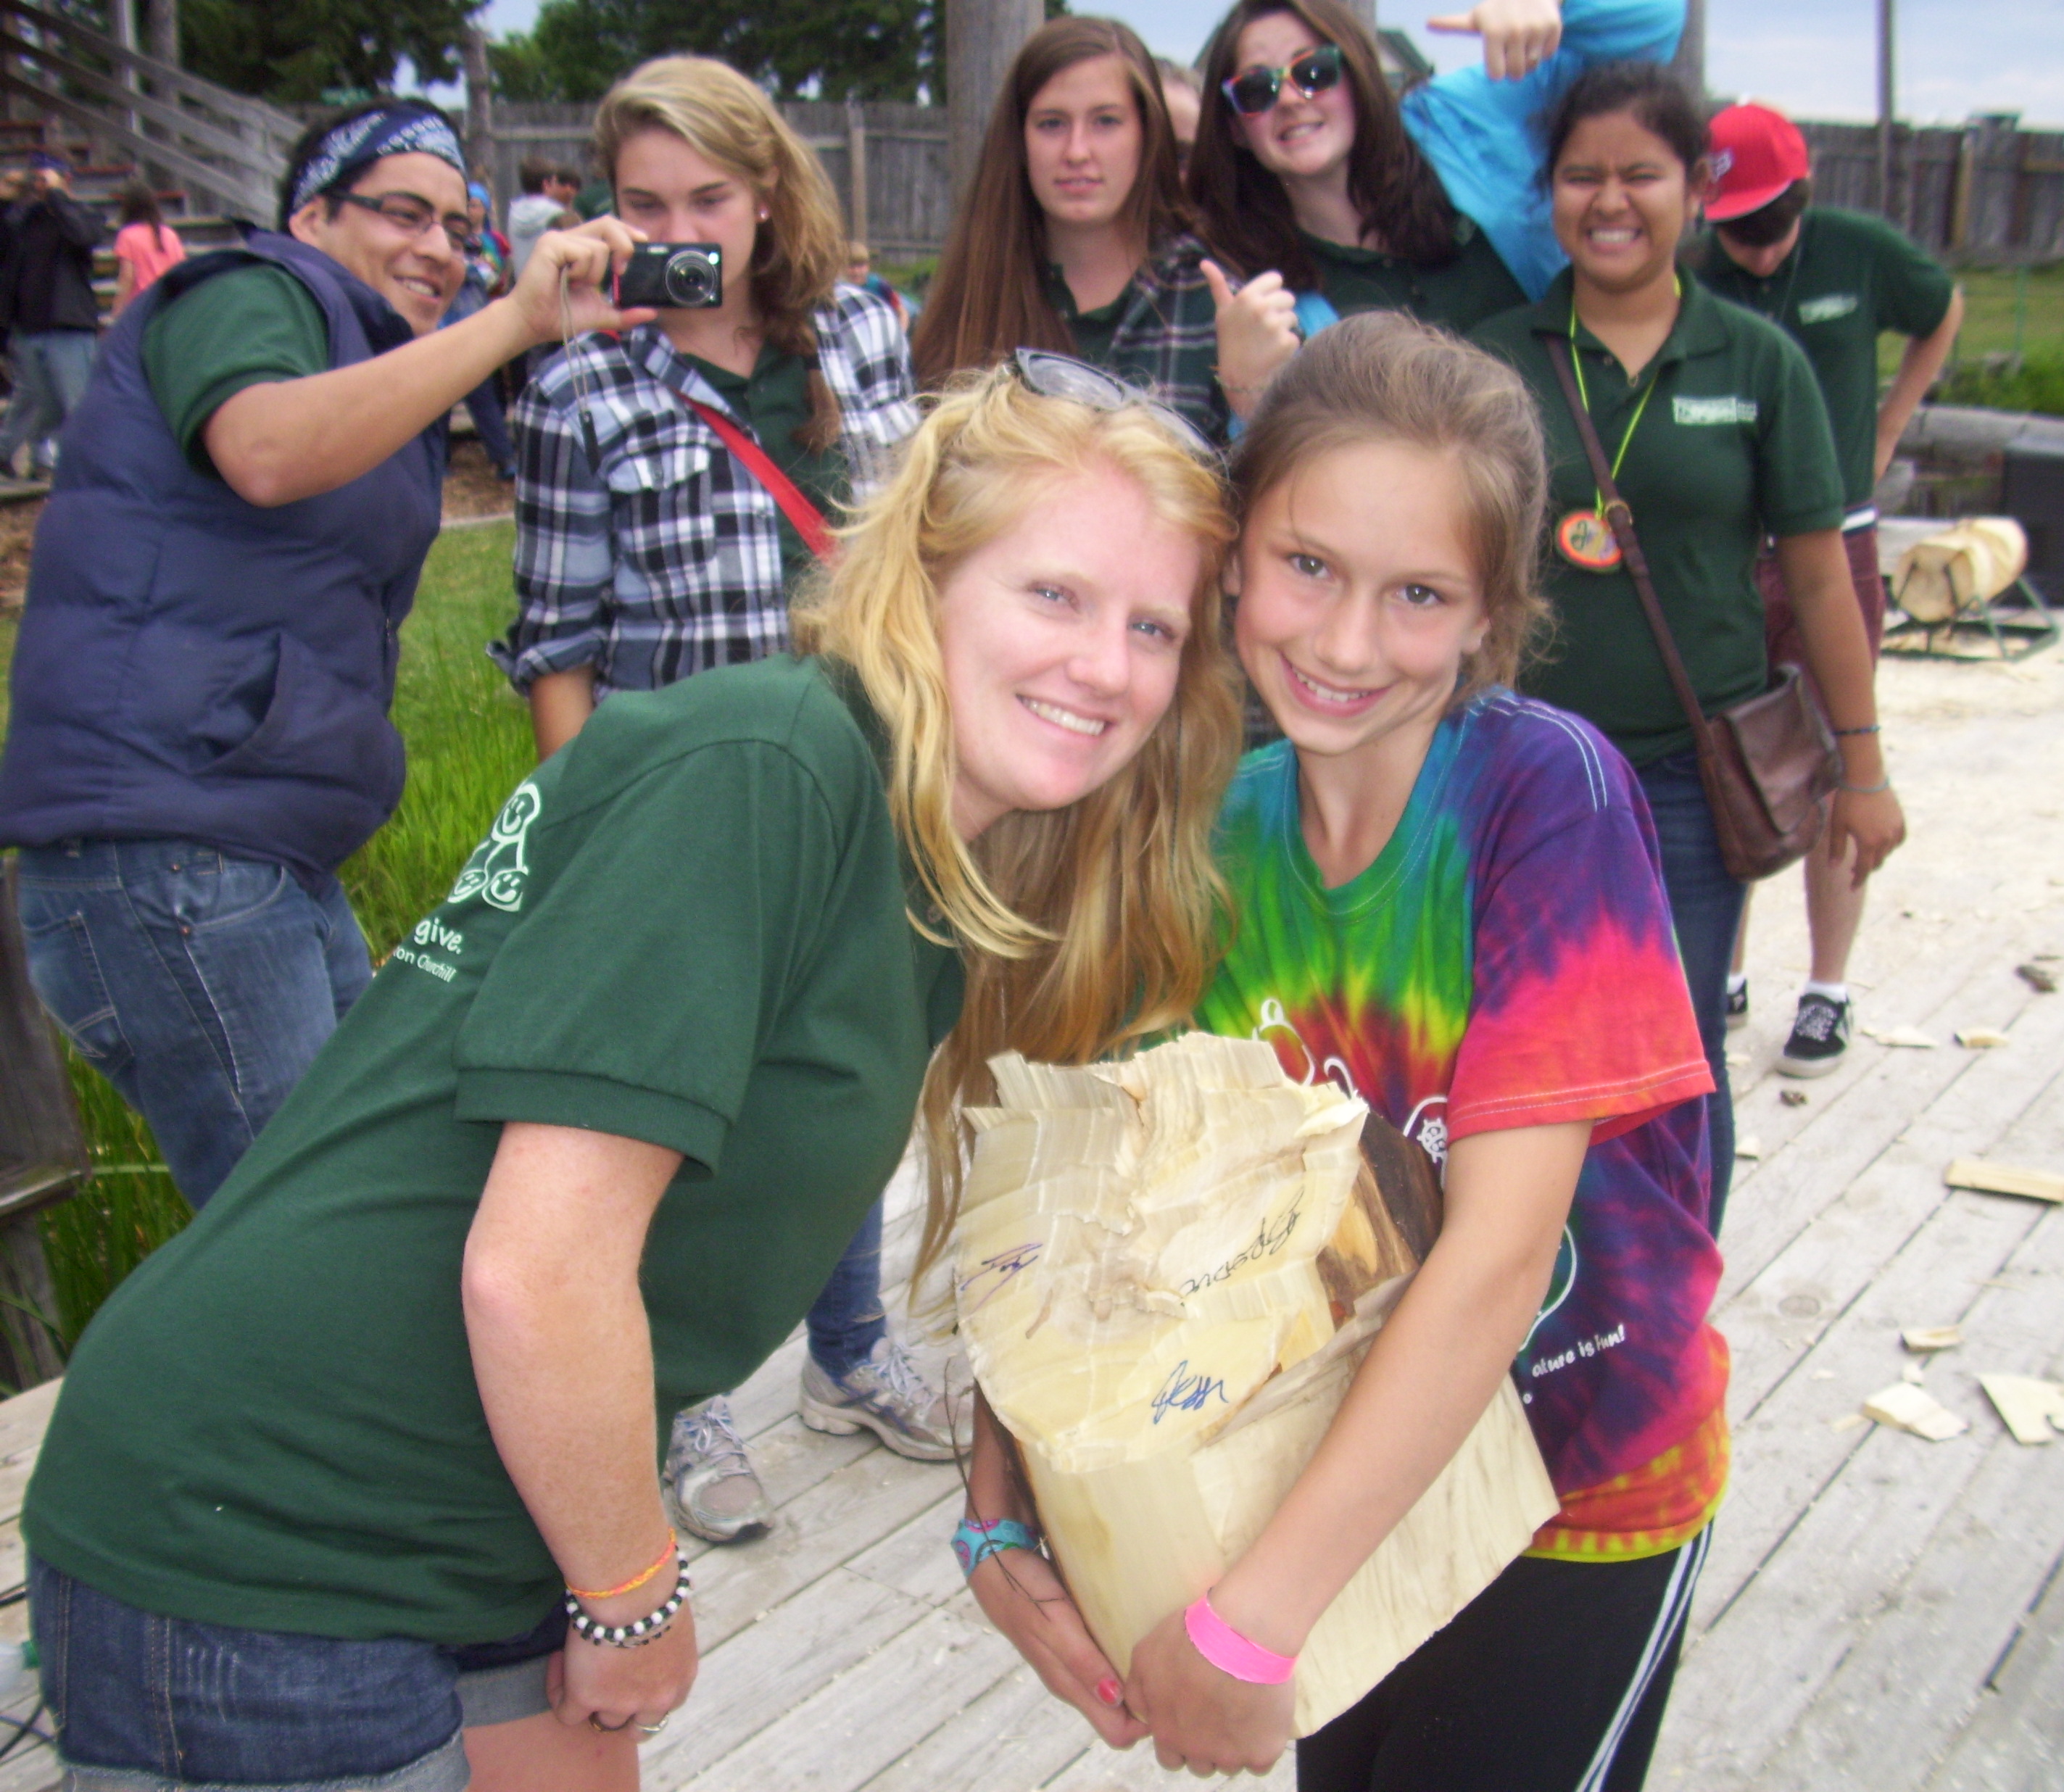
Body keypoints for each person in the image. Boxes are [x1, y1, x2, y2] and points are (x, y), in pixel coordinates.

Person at [22, 354, 1243, 1792]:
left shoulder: (931, 858)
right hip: (267, 1532)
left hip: (490, 1508)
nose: (1105, 666)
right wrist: (632, 1591)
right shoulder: (772, 763)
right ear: (923, 579)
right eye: (1054, 594)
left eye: (1152, 627)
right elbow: (535, 1271)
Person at [966, 315, 1723, 1791]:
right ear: (1234, 553)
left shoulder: (1544, 797)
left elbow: (1498, 1262)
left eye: (1418, 593)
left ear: (1491, 614)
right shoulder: (1219, 833)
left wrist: (1247, 1630)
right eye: (1308, 565)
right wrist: (1005, 1496)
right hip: (1322, 1484)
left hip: (1570, 1498)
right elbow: (1099, 1198)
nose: (1346, 641)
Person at [0, 100, 655, 1208]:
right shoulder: (247, 291)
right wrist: (513, 323)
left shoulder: (368, 358)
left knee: (369, 1203)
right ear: (311, 214)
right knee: (308, 1233)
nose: (438, 248)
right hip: (170, 845)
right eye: (404, 213)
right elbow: (262, 448)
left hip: (255, 847)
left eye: (460, 229)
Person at [494, 57, 940, 1542]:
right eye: (644, 203)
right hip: (688, 804)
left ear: (765, 196)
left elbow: (918, 541)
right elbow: (557, 643)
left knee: (853, 1075)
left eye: (709, 198)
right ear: (600, 210)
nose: (679, 230)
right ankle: (682, 1395)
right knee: (686, 1108)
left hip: (867, 777)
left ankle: (849, 1351)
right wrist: (589, 839)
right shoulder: (578, 384)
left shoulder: (860, 330)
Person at [1470, 62, 1903, 1230]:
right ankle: (1531, 1276)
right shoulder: (1494, 356)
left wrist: (1864, 769)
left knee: (1679, 1042)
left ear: (1698, 188)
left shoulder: (1758, 363)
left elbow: (1820, 578)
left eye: (1641, 175)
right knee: (1513, 1033)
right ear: (1549, 193)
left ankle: (1671, 1296)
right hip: (1513, 772)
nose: (1610, 201)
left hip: (1687, 776)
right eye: (1582, 176)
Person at [1694, 102, 1964, 1077]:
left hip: (1836, 541)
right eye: (1736, 231)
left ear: (1801, 198)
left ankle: (1826, 987)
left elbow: (1941, 311)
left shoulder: (1859, 251)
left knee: (1835, 760)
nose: (1757, 249)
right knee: (1723, 759)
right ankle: (1720, 970)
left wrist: (1890, 424)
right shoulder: (1691, 277)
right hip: (1731, 550)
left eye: (1771, 225)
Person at [1188, 0, 1682, 341]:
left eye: (1315, 71)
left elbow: (1656, 28)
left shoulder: (1455, 118)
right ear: (1234, 128)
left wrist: (1555, 8)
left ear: (1358, 74)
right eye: (1256, 90)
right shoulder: (1244, 283)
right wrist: (1247, 390)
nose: (1292, 100)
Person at [911, 15, 1297, 446]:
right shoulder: (967, 301)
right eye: (1052, 123)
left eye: (1106, 121)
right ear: (1019, 140)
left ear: (1147, 135)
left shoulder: (1214, 305)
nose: (1077, 151)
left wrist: (1251, 396)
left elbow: (1281, 474)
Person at [0, 151, 102, 478]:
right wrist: (6, 200)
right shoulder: (24, 220)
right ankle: (31, 457)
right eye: (36, 177)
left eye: (46, 177)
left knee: (76, 403)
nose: (39, 184)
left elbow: (83, 236)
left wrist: (57, 196)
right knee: (36, 400)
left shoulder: (83, 213)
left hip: (68, 325)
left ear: (65, 179)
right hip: (27, 326)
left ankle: (86, 469)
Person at [446, 181, 516, 480]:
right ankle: (437, 462)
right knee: (437, 405)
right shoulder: (439, 249)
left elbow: (493, 277)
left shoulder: (483, 244)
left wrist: (474, 268)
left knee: (483, 400)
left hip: (472, 330)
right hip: (442, 332)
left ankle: (504, 459)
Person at [108, 178, 186, 317]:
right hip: (167, 304)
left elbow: (128, 276)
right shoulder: (169, 234)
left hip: (141, 306)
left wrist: (117, 309)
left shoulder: (127, 235)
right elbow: (181, 269)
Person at [507, 154, 583, 279]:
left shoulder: (513, 210)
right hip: (548, 286)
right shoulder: (558, 214)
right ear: (546, 184)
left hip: (521, 285)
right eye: (554, 181)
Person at [845, 237, 911, 330]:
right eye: (851, 266)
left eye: (860, 266)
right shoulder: (841, 289)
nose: (856, 271)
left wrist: (900, 333)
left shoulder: (880, 286)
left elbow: (902, 312)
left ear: (868, 266)